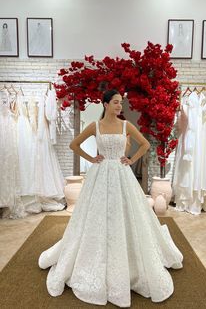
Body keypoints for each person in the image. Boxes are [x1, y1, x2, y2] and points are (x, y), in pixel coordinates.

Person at [38, 89, 183, 307]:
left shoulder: (125, 125)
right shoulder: (95, 126)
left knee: (126, 214)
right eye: (115, 103)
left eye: (120, 103)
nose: (119, 107)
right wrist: (92, 158)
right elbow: (73, 144)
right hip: (100, 173)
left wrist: (131, 158)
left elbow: (144, 144)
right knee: (95, 215)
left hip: (121, 172)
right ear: (105, 104)